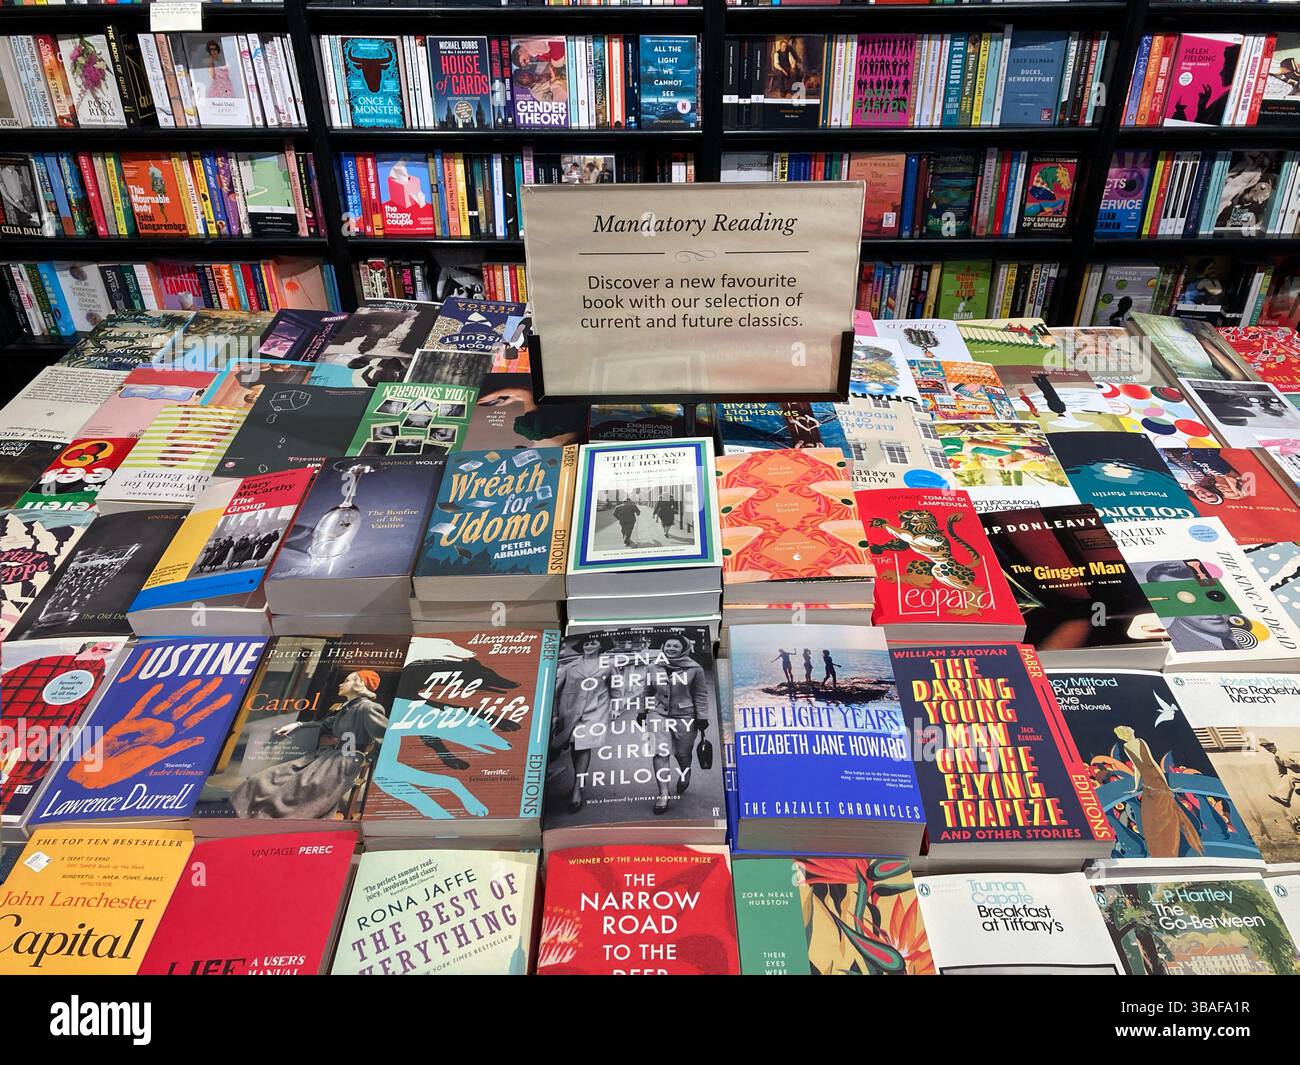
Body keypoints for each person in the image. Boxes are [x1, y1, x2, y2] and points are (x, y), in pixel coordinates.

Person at [231, 670, 389, 820]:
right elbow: (324, 725)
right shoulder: (347, 708)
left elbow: (387, 738)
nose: (341, 684)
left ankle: (276, 817)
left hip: (345, 762)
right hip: (328, 757)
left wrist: (367, 760)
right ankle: (251, 811)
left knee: (299, 786)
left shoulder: (368, 708)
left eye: (346, 681)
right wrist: (297, 725)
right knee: (274, 775)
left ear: (358, 685)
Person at [639, 635, 710, 815]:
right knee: (660, 752)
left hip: (686, 715)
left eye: (675, 646)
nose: (670, 648)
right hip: (658, 713)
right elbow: (646, 691)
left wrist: (702, 716)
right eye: (668, 645)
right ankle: (663, 794)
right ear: (663, 646)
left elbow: (700, 694)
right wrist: (641, 711)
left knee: (683, 754)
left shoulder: (695, 669)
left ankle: (685, 773)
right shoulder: (653, 667)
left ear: (683, 649)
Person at [551, 636, 614, 813]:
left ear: (601, 645)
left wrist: (615, 707)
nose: (588, 646)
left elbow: (615, 688)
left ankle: (577, 786)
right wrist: (556, 715)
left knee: (583, 746)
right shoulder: (570, 667)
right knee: (575, 746)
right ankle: (579, 780)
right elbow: (556, 693)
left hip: (595, 711)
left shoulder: (608, 666)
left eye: (593, 643)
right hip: (570, 712)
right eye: (586, 643)